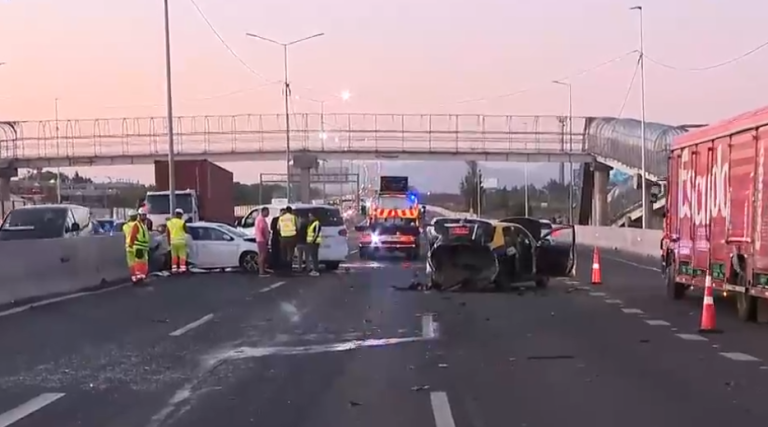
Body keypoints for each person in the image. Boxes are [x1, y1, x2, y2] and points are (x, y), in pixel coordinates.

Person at [127, 207, 151, 283]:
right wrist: (131, 244)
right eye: (142, 215)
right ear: (139, 216)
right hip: (139, 246)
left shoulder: (144, 225)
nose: (144, 217)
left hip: (144, 247)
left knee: (144, 263)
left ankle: (142, 276)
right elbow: (133, 235)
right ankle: (138, 277)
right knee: (139, 262)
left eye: (145, 215)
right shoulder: (137, 225)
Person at [165, 208, 189, 273]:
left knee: (174, 256)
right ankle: (182, 268)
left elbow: (167, 233)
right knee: (182, 255)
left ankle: (174, 268)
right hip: (181, 242)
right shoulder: (182, 222)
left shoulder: (169, 222)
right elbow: (187, 231)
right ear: (181, 215)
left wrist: (169, 242)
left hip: (173, 242)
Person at [277, 206, 299, 273]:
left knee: (284, 253)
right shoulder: (293, 217)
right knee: (290, 253)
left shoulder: (281, 218)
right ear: (291, 211)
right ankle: (289, 268)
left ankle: (284, 269)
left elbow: (278, 228)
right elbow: (298, 226)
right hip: (292, 237)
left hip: (283, 238)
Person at [255, 207, 271, 277]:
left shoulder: (260, 219)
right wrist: (266, 238)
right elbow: (262, 229)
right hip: (262, 240)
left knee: (262, 255)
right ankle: (261, 272)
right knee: (262, 255)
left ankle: (262, 269)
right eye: (267, 212)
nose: (268, 214)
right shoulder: (261, 219)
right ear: (263, 212)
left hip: (260, 239)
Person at [123, 210, 139, 281]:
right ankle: (139, 276)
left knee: (131, 263)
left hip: (129, 246)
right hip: (137, 246)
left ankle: (133, 277)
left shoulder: (125, 226)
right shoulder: (139, 225)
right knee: (138, 262)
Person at [306, 211, 322, 276]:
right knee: (313, 256)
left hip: (314, 242)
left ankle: (316, 270)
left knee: (314, 256)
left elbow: (316, 233)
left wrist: (313, 241)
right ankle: (314, 269)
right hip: (311, 242)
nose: (310, 217)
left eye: (311, 216)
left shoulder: (316, 223)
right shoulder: (311, 223)